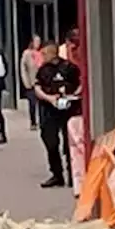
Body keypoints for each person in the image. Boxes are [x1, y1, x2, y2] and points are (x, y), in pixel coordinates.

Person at [33, 44, 82, 187]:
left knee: (69, 144)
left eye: (44, 53)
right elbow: (37, 87)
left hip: (68, 110)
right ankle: (57, 174)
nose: (43, 56)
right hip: (49, 110)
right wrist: (49, 98)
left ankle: (73, 176)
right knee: (51, 142)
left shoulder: (69, 68)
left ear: (52, 53)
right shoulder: (43, 70)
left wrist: (72, 95)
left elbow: (81, 83)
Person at [19, 35, 44, 130]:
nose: (38, 44)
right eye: (36, 41)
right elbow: (23, 68)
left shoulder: (41, 53)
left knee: (41, 104)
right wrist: (26, 82)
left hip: (41, 82)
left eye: (39, 41)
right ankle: (33, 122)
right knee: (32, 104)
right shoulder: (27, 53)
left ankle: (42, 122)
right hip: (31, 82)